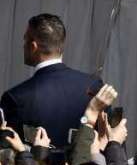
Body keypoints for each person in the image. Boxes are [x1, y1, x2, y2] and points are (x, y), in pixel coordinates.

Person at [0, 14, 103, 147]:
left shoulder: (15, 98)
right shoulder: (93, 86)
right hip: (85, 160)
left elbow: (7, 151)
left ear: (33, 46)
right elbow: (107, 138)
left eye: (25, 40)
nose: (23, 46)